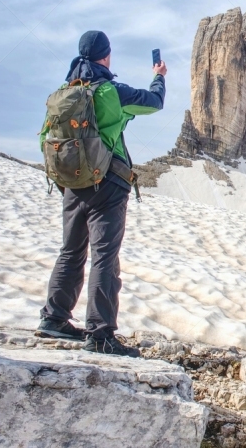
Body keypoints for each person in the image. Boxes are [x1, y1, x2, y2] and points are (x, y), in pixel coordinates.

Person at [36, 30, 166, 357]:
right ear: (106, 57)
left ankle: (54, 318)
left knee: (71, 251)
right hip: (107, 183)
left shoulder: (63, 93)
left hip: (72, 183)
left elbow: (46, 139)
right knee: (105, 256)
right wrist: (158, 77)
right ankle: (100, 333)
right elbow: (154, 103)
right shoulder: (111, 91)